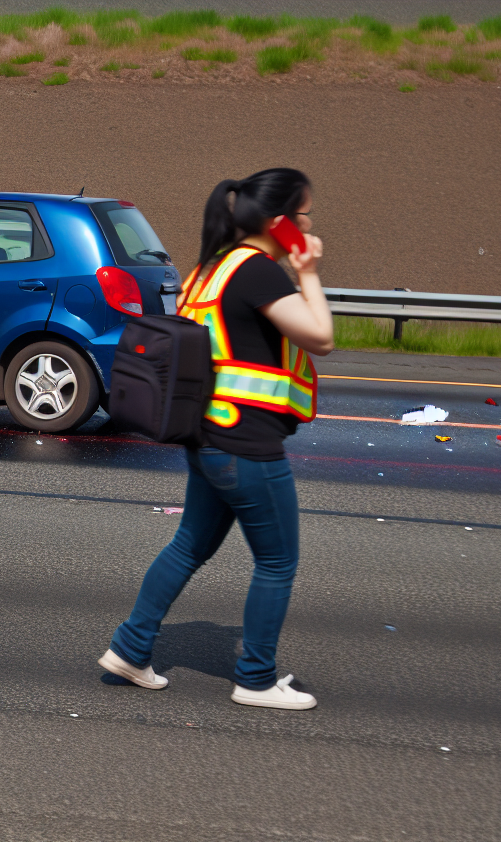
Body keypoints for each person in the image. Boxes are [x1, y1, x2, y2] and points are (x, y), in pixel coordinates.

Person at [99, 168, 332, 709]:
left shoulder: (209, 270)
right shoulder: (257, 273)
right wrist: (310, 271)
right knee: (277, 562)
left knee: (189, 545)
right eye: (305, 216)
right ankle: (256, 678)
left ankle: (131, 649)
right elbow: (320, 336)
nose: (310, 224)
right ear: (283, 223)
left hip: (206, 438)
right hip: (246, 446)